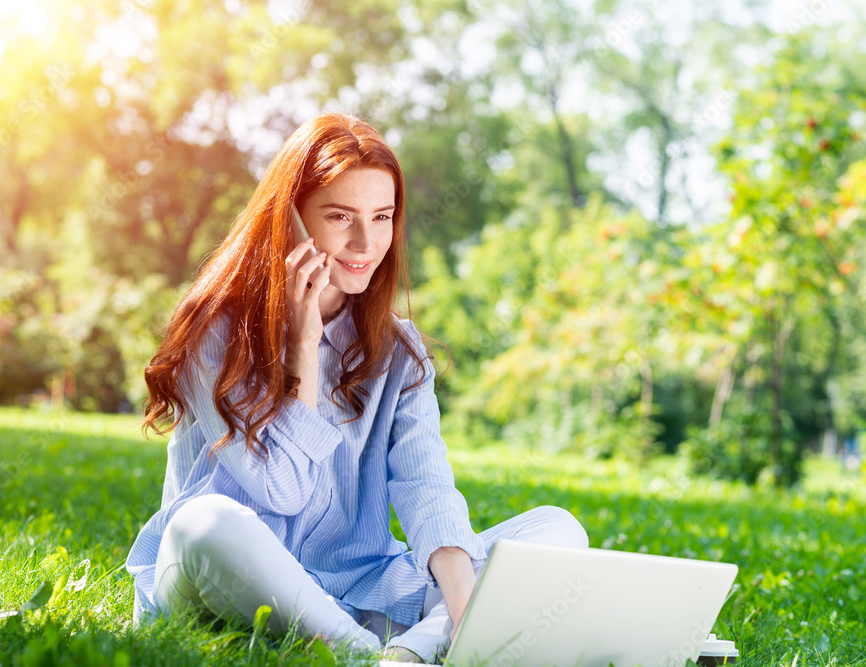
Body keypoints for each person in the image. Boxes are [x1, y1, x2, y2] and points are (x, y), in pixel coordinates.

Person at [124, 112, 590, 663]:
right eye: (340, 216)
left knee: (557, 531)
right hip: (224, 580)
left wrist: (467, 614)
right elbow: (283, 490)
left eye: (383, 217)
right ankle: (367, 654)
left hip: (357, 586)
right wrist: (303, 349)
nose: (366, 242)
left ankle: (411, 653)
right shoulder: (217, 330)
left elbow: (426, 487)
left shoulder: (401, 349)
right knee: (205, 524)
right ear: (289, 221)